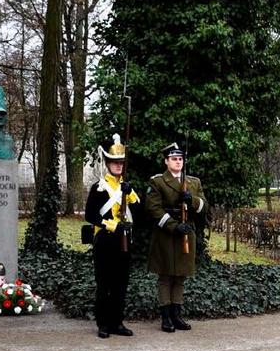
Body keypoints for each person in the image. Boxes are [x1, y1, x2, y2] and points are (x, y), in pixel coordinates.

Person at [145, 142, 209, 332]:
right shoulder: (157, 182)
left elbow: (205, 206)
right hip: (166, 233)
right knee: (165, 276)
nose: (178, 162)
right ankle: (166, 318)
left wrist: (193, 200)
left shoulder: (193, 182)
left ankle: (177, 315)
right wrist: (173, 226)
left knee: (180, 276)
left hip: (186, 233)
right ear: (166, 162)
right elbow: (153, 208)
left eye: (180, 159)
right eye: (174, 159)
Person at [84, 134, 140, 339]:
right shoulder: (99, 187)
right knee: (104, 283)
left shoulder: (128, 188)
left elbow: (139, 212)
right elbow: (91, 215)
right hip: (106, 240)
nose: (118, 166)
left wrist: (130, 193)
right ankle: (103, 323)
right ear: (108, 164)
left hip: (125, 240)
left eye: (121, 163)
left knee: (121, 283)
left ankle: (117, 322)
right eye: (115, 162)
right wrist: (112, 225)